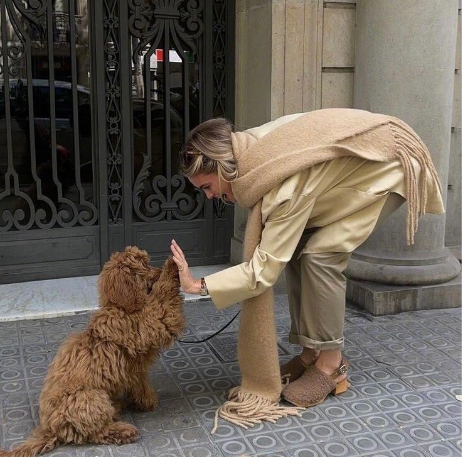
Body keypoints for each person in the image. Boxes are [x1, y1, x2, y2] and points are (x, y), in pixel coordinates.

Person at [170, 108, 444, 408]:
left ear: (224, 169)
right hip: (362, 158)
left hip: (389, 163)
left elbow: (263, 272)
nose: (209, 196)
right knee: (297, 248)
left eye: (207, 187)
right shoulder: (246, 151)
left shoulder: (282, 187)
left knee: (321, 257)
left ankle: (332, 365)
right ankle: (311, 353)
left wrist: (198, 285)